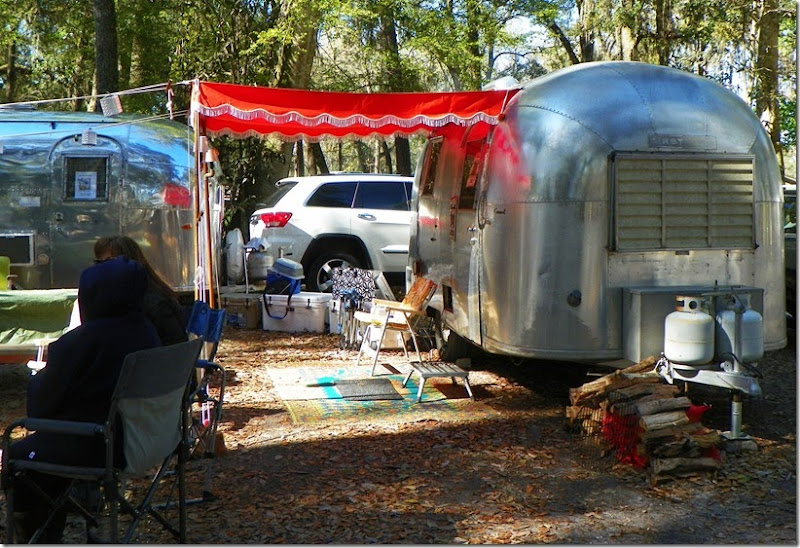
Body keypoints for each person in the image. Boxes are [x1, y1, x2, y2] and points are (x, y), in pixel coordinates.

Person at [7, 256, 162, 543]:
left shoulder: (82, 342)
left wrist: (42, 376)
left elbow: (39, 410)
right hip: (148, 438)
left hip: (102, 444)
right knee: (46, 448)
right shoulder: (146, 330)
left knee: (18, 455)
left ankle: (37, 536)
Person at [94, 235, 188, 346]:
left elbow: (176, 344)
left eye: (110, 262)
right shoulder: (105, 300)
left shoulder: (153, 302)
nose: (103, 269)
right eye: (99, 263)